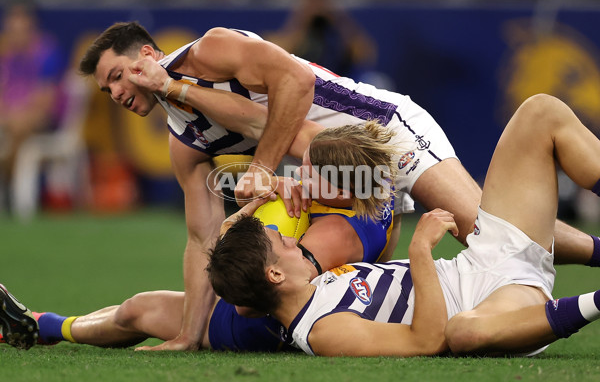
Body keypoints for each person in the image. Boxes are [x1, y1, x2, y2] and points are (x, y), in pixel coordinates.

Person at [78, 21, 598, 352]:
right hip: (343, 169)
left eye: (120, 76)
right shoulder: (183, 137)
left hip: (383, 130)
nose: (117, 92)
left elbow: (297, 87)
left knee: (481, 226)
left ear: (148, 54)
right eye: (108, 89)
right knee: (493, 228)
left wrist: (270, 170)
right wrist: (189, 335)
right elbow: (201, 239)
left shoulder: (210, 51)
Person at [208, 94, 600, 357]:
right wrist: (420, 252)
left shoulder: (305, 282)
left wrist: (245, 211)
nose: (290, 238)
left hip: (486, 252)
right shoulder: (318, 330)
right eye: (281, 243)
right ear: (274, 273)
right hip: (495, 305)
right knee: (464, 333)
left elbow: (238, 281)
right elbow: (428, 340)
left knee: (540, 111)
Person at [0, 165, 395, 351]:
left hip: (257, 325)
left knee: (138, 311)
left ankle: (45, 325)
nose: (307, 172)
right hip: (263, 299)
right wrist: (256, 202)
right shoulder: (367, 209)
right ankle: (42, 326)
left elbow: (245, 307)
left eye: (316, 168)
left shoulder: (331, 235)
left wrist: (239, 225)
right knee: (138, 308)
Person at [0, 3, 64, 205]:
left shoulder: (47, 53)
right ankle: (12, 183)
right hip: (10, 119)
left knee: (19, 127)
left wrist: (16, 116)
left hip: (42, 119)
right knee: (14, 127)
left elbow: (45, 99)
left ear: (31, 30)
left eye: (20, 30)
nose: (15, 35)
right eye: (11, 30)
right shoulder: (5, 55)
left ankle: (10, 185)